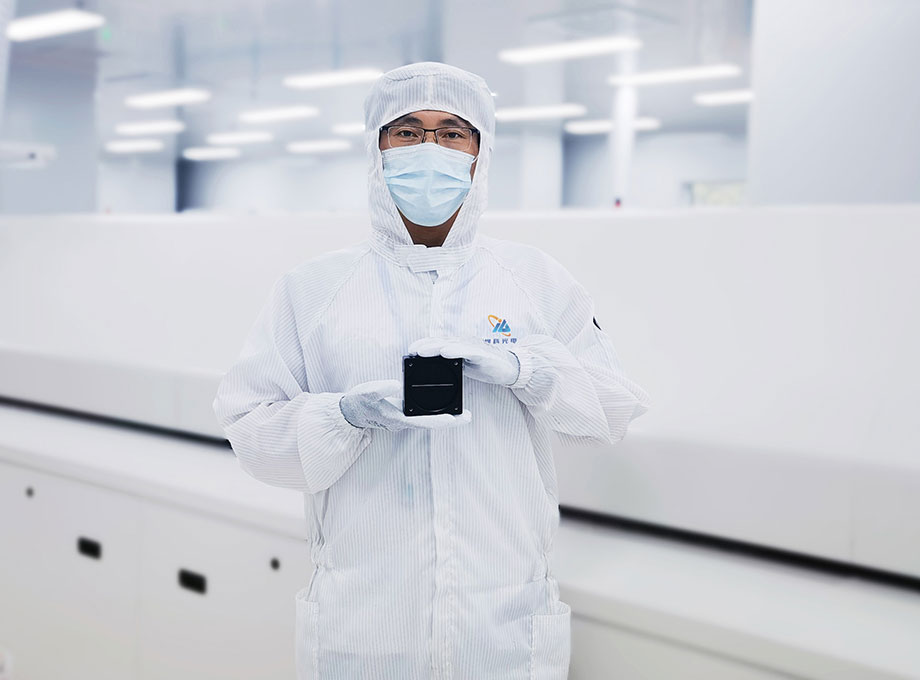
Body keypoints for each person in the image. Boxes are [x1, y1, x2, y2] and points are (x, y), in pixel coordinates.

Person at [212, 61, 651, 680]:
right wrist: (342, 416)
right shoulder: (313, 289)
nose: (429, 149)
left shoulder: (534, 281)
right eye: (407, 131)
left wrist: (527, 367)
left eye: (451, 132)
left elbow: (611, 410)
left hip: (501, 624)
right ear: (377, 149)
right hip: (366, 624)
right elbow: (250, 432)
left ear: (479, 152)